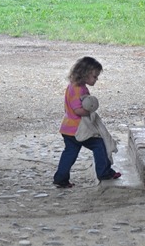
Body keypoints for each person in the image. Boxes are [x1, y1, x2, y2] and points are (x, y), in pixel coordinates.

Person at [52, 56, 121, 187]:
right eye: (95, 76)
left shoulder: (72, 86)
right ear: (85, 74)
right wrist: (90, 111)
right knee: (99, 145)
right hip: (79, 129)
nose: (96, 79)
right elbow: (78, 110)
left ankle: (60, 178)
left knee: (69, 153)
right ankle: (104, 172)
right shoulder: (78, 89)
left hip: (68, 129)